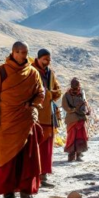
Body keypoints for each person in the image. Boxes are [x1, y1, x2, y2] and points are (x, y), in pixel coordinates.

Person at [0, 41, 45, 198]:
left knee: (28, 160)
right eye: (21, 52)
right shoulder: (1, 72)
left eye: (26, 52)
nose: (24, 56)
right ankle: (8, 197)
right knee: (6, 159)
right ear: (14, 52)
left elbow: (40, 93)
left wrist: (32, 104)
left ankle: (26, 197)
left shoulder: (32, 72)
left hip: (26, 122)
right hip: (6, 121)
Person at [33, 49, 62, 188]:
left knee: (46, 149)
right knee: (35, 147)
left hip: (49, 116)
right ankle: (33, 177)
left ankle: (43, 176)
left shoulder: (50, 74)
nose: (47, 62)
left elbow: (58, 90)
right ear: (38, 58)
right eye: (45, 59)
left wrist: (50, 94)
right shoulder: (31, 70)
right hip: (35, 116)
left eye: (49, 59)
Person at [62, 78, 90, 161]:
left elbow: (85, 104)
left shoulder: (81, 93)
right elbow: (65, 106)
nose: (77, 87)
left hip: (80, 118)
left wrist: (86, 110)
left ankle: (78, 154)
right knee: (72, 137)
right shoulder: (66, 95)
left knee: (79, 137)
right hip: (72, 119)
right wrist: (73, 110)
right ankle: (72, 155)